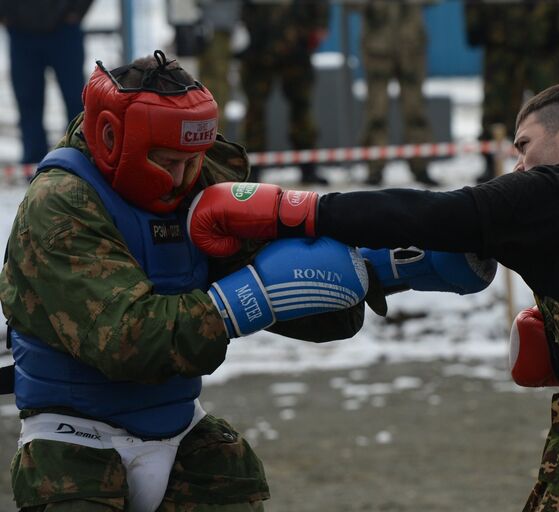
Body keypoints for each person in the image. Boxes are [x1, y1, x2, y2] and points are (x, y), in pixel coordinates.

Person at [188, 81, 559, 510]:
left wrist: (299, 210)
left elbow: (430, 214)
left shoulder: (555, 188)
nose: (519, 163)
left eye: (524, 145)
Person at [0, 50, 374, 511]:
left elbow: (316, 310)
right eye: (167, 161)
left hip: (179, 430)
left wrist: (367, 271)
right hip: (74, 440)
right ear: (113, 138)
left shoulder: (199, 177)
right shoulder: (60, 204)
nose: (181, 179)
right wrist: (247, 300)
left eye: (190, 160)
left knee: (230, 478)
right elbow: (129, 340)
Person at [464, 0, 559, 183]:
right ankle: (491, 162)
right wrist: (473, 24)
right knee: (496, 107)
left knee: (554, 105)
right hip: (500, 40)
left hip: (541, 39)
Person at [239, 0, 329, 185]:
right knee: (255, 109)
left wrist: (319, 26)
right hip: (259, 45)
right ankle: (252, 168)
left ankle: (308, 167)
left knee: (301, 106)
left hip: (297, 43)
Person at [0, 0, 93, 164]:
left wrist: (77, 11)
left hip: (65, 29)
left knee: (75, 100)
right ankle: (33, 166)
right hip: (21, 31)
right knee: (28, 103)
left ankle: (80, 158)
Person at [358, 0, 438, 186]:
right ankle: (374, 167)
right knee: (376, 112)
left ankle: (420, 165)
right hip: (377, 47)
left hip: (411, 46)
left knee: (415, 111)